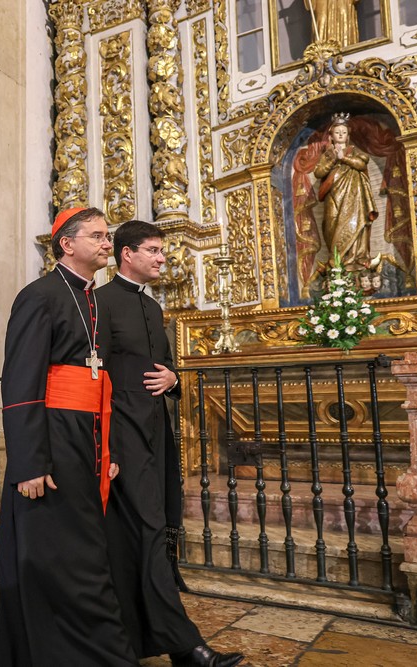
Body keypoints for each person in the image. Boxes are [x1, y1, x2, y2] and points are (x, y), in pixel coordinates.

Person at [0, 207, 137, 666]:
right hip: (53, 440)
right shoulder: (39, 296)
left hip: (88, 437)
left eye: (108, 235)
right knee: (55, 554)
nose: (107, 243)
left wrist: (109, 449)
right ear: (67, 244)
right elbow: (20, 382)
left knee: (83, 552)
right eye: (97, 236)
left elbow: (103, 381)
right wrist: (29, 462)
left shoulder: (95, 300)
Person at [98, 220, 244, 667]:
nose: (163, 258)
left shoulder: (153, 306)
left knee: (151, 529)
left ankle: (132, 639)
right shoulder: (100, 304)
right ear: (127, 254)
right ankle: (186, 646)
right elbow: (93, 377)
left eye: (162, 250)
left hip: (155, 433)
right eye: (154, 250)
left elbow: (164, 365)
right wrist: (106, 446)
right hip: (122, 433)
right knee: (146, 532)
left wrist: (174, 378)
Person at [313, 113, 378, 271]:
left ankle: (355, 259)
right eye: (337, 132)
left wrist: (344, 158)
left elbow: (361, 164)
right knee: (331, 224)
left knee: (355, 223)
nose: (341, 135)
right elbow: (318, 173)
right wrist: (333, 160)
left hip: (354, 197)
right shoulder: (328, 154)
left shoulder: (354, 151)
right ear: (331, 136)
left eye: (344, 132)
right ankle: (336, 261)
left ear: (348, 136)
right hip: (333, 195)